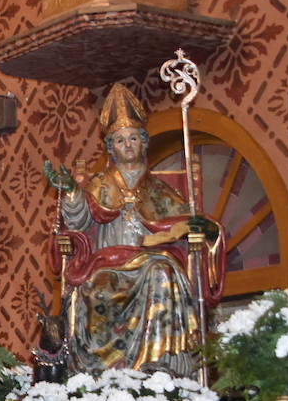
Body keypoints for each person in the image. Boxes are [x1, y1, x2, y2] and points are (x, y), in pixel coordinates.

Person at [44, 84, 223, 375]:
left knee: (161, 272)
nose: (127, 145)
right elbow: (77, 223)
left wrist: (201, 229)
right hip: (107, 266)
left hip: (152, 262)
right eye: (119, 140)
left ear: (143, 143)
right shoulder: (100, 185)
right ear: (110, 149)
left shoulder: (159, 190)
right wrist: (71, 193)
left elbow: (186, 224)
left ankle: (159, 364)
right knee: (98, 289)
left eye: (132, 139)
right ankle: (103, 372)